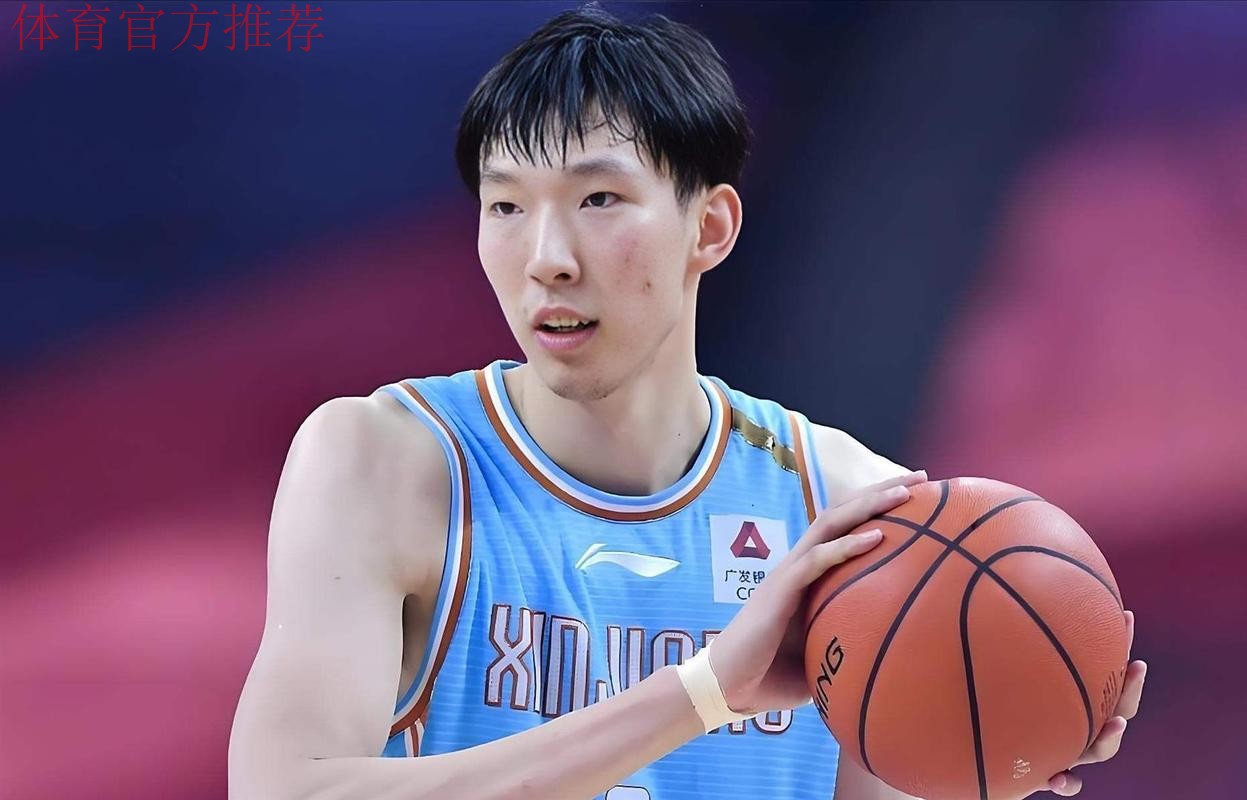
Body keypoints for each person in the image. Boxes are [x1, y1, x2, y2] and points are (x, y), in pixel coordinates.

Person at [227, 6, 1145, 799]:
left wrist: (994, 744)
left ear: (708, 227)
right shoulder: (386, 460)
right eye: (506, 207)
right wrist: (702, 693)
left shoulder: (850, 507)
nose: (546, 258)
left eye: (597, 199)